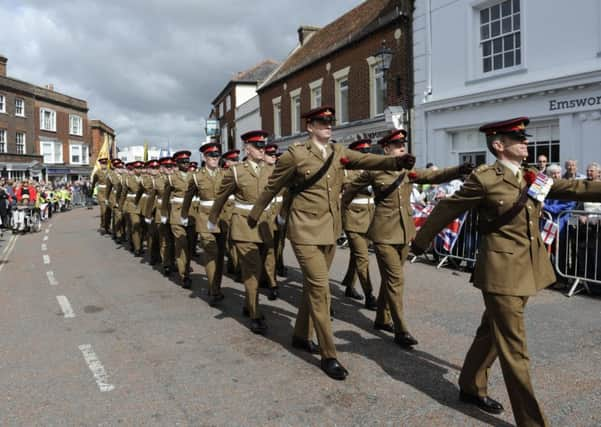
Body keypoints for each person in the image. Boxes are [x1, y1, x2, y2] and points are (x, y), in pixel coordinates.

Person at [411, 117, 601, 426]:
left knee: (491, 332)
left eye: (524, 137)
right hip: (500, 273)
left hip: (527, 269)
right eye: (518, 138)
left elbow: (576, 187)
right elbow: (448, 208)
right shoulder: (485, 178)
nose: (525, 142)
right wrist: (419, 243)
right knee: (515, 349)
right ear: (499, 145)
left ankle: (470, 385)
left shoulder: (532, 176)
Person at [247, 106, 418, 380]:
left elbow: (366, 160)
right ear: (310, 127)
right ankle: (329, 354)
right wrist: (255, 215)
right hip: (303, 230)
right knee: (320, 288)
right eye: (321, 122)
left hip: (329, 229)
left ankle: (301, 335)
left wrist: (396, 163)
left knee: (313, 287)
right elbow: (273, 187)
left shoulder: (338, 152)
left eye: (330, 122)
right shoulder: (296, 155)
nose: (328, 126)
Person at [343, 130, 468, 348]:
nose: (402, 146)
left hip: (404, 232)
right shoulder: (376, 170)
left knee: (391, 280)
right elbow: (349, 190)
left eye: (403, 143)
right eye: (397, 144)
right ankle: (401, 330)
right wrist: (340, 213)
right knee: (395, 280)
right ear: (386, 149)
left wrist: (459, 170)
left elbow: (433, 176)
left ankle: (382, 319)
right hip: (383, 234)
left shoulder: (407, 171)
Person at [208, 130, 274, 334]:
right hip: (244, 227)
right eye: (258, 147)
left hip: (265, 227)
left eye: (263, 146)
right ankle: (255, 314)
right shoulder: (236, 172)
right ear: (247, 149)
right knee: (251, 271)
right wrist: (212, 220)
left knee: (259, 269)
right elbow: (220, 198)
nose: (262, 150)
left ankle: (248, 303)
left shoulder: (270, 170)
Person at [182, 142, 226, 304]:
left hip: (223, 219)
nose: (214, 159)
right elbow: (187, 197)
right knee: (211, 253)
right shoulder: (196, 176)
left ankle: (217, 286)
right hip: (205, 220)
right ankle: (214, 290)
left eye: (217, 156)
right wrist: (184, 214)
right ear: (204, 157)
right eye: (211, 156)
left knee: (220, 256)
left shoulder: (226, 174)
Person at [339, 139, 378, 309]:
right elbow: (344, 190)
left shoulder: (372, 170)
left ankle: (349, 285)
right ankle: (369, 294)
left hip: (370, 218)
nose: (366, 155)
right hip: (353, 218)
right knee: (363, 257)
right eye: (363, 152)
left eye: (368, 152)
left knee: (357, 255)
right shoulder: (347, 171)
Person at [160, 151, 195, 288]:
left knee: (190, 246)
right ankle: (184, 276)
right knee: (181, 244)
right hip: (176, 214)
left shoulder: (194, 176)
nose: (186, 164)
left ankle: (185, 267)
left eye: (187, 161)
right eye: (183, 162)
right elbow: (165, 198)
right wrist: (164, 213)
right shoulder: (171, 178)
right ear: (178, 164)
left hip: (191, 213)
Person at [220, 149, 242, 280]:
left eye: (237, 159)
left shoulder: (241, 173)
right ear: (227, 162)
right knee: (231, 241)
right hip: (227, 211)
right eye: (233, 160)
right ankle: (236, 267)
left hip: (239, 210)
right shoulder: (224, 174)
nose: (236, 162)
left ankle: (236, 265)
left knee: (238, 241)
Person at [91, 158, 111, 234]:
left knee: (109, 211)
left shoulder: (110, 172)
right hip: (101, 193)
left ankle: (107, 226)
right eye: (102, 164)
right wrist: (92, 190)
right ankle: (102, 226)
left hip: (110, 193)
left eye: (105, 164)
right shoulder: (97, 172)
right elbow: (94, 182)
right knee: (103, 211)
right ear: (100, 164)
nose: (104, 165)